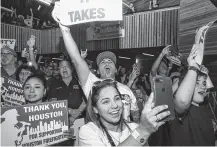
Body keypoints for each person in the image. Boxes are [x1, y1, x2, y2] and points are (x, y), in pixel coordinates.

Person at [52, 4, 139, 122]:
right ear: (97, 70)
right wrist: (65, 30)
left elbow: (135, 115)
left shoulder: (125, 89)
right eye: (103, 62)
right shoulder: (92, 84)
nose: (107, 63)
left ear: (116, 69)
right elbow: (76, 60)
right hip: (100, 138)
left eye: (110, 62)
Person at [79, 79, 171, 146]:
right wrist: (143, 130)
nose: (114, 105)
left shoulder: (134, 127)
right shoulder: (88, 131)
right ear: (95, 109)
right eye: (106, 102)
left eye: (117, 98)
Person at [169, 50, 216, 145]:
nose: (203, 86)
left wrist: (205, 75)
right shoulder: (180, 111)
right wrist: (193, 67)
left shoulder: (203, 108)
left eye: (203, 83)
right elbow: (182, 100)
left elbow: (209, 91)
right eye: (196, 83)